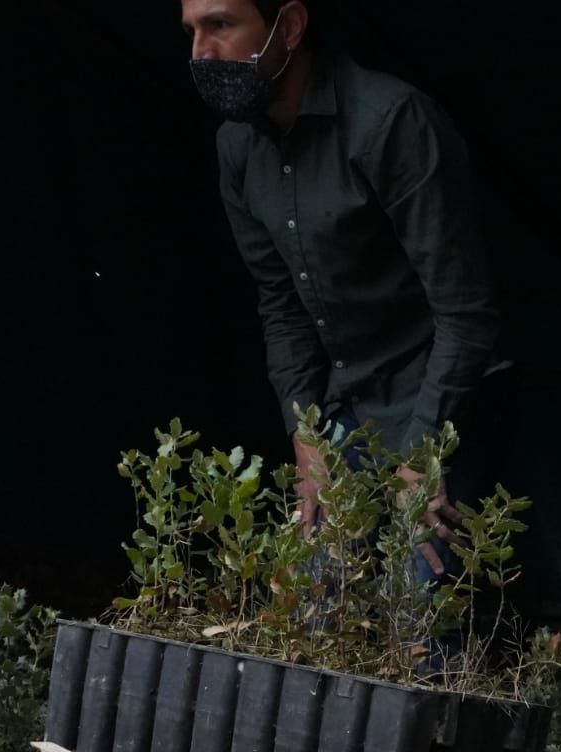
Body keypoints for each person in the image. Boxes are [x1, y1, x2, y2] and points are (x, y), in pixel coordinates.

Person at [183, 0, 500, 579]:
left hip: (440, 392)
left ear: (291, 26)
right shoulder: (237, 145)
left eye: (221, 25)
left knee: (423, 606)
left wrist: (424, 457)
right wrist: (306, 438)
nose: (201, 53)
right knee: (316, 602)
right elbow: (281, 305)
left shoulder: (392, 121)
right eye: (193, 31)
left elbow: (466, 313)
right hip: (346, 396)